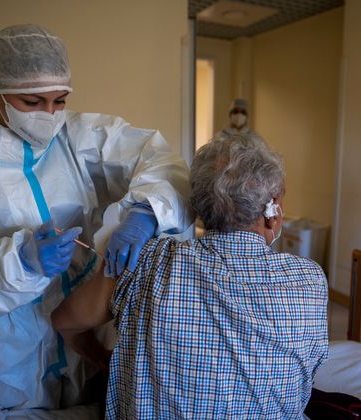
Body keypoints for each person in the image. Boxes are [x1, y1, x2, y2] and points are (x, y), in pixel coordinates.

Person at [0, 24, 192, 410]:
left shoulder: (80, 135)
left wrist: (147, 210)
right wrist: (21, 261)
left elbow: (162, 160)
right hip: (9, 339)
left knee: (91, 406)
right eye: (32, 102)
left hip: (86, 317)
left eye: (59, 101)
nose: (49, 114)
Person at [52, 134, 329, 418]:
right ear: (273, 211)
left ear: (196, 208)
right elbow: (305, 374)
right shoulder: (310, 281)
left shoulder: (146, 260)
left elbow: (65, 321)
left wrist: (103, 358)